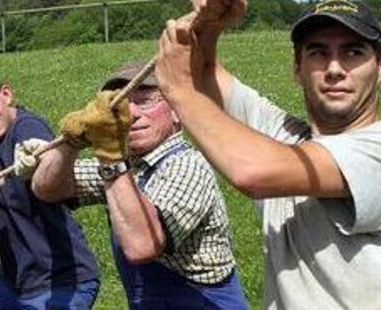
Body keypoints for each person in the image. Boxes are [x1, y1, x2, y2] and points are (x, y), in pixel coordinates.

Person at [154, 0, 381, 309]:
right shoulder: (285, 140)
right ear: (297, 68)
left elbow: (253, 171)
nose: (335, 68)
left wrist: (178, 92)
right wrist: (211, 22)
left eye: (353, 52)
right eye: (318, 53)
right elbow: (203, 74)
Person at [31, 61, 249, 309]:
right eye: (121, 105)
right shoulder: (128, 168)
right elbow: (48, 189)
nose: (131, 114)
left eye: (146, 100)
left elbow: (142, 245)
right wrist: (69, 143)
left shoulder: (187, 165)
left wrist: (109, 155)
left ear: (177, 111)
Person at [0, 68, 99, 310]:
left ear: (6, 94)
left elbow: (43, 153)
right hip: (14, 283)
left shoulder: (28, 125)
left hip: (63, 280)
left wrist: (40, 156)